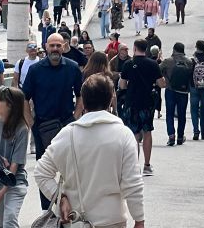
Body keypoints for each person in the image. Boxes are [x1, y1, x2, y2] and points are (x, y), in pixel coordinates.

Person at [34, 74, 144, 228]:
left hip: (75, 220)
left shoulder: (67, 134)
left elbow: (41, 173)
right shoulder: (124, 135)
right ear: (111, 99)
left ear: (83, 101)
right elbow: (132, 183)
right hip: (112, 220)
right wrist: (139, 219)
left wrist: (61, 198)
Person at [21, 33, 82, 211]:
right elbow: (24, 98)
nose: (55, 49)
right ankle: (48, 210)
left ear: (64, 46)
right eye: (52, 45)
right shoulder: (35, 69)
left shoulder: (72, 68)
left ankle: (70, 207)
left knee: (70, 170)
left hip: (66, 126)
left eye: (58, 45)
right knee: (44, 172)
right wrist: (31, 123)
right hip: (43, 127)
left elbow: (80, 95)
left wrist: (75, 118)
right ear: (46, 47)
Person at [118, 39, 165, 175]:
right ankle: (147, 165)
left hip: (131, 102)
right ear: (146, 49)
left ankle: (134, 165)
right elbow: (161, 83)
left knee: (134, 134)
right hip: (147, 103)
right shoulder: (153, 64)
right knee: (147, 131)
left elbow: (122, 84)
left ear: (134, 48)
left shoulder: (128, 64)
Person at [0, 87, 28, 228]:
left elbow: (15, 165)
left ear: (10, 104)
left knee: (9, 219)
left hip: (15, 182)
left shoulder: (22, 129)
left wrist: (3, 190)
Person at [159, 42, 192, 146]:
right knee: (182, 114)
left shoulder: (168, 61)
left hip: (170, 90)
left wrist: (165, 78)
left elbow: (158, 70)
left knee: (169, 113)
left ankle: (171, 136)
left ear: (174, 50)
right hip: (183, 91)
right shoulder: (189, 62)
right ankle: (180, 136)